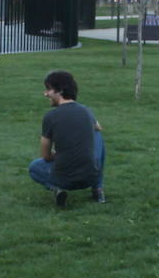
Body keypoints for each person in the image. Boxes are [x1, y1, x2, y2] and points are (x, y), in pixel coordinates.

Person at [29, 69, 105, 208]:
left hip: (64, 180)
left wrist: (60, 154)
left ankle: (58, 189)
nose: (45, 93)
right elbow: (99, 127)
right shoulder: (85, 110)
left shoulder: (50, 117)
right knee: (97, 134)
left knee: (34, 167)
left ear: (60, 91)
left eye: (48, 89)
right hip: (89, 177)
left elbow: (45, 157)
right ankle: (98, 188)